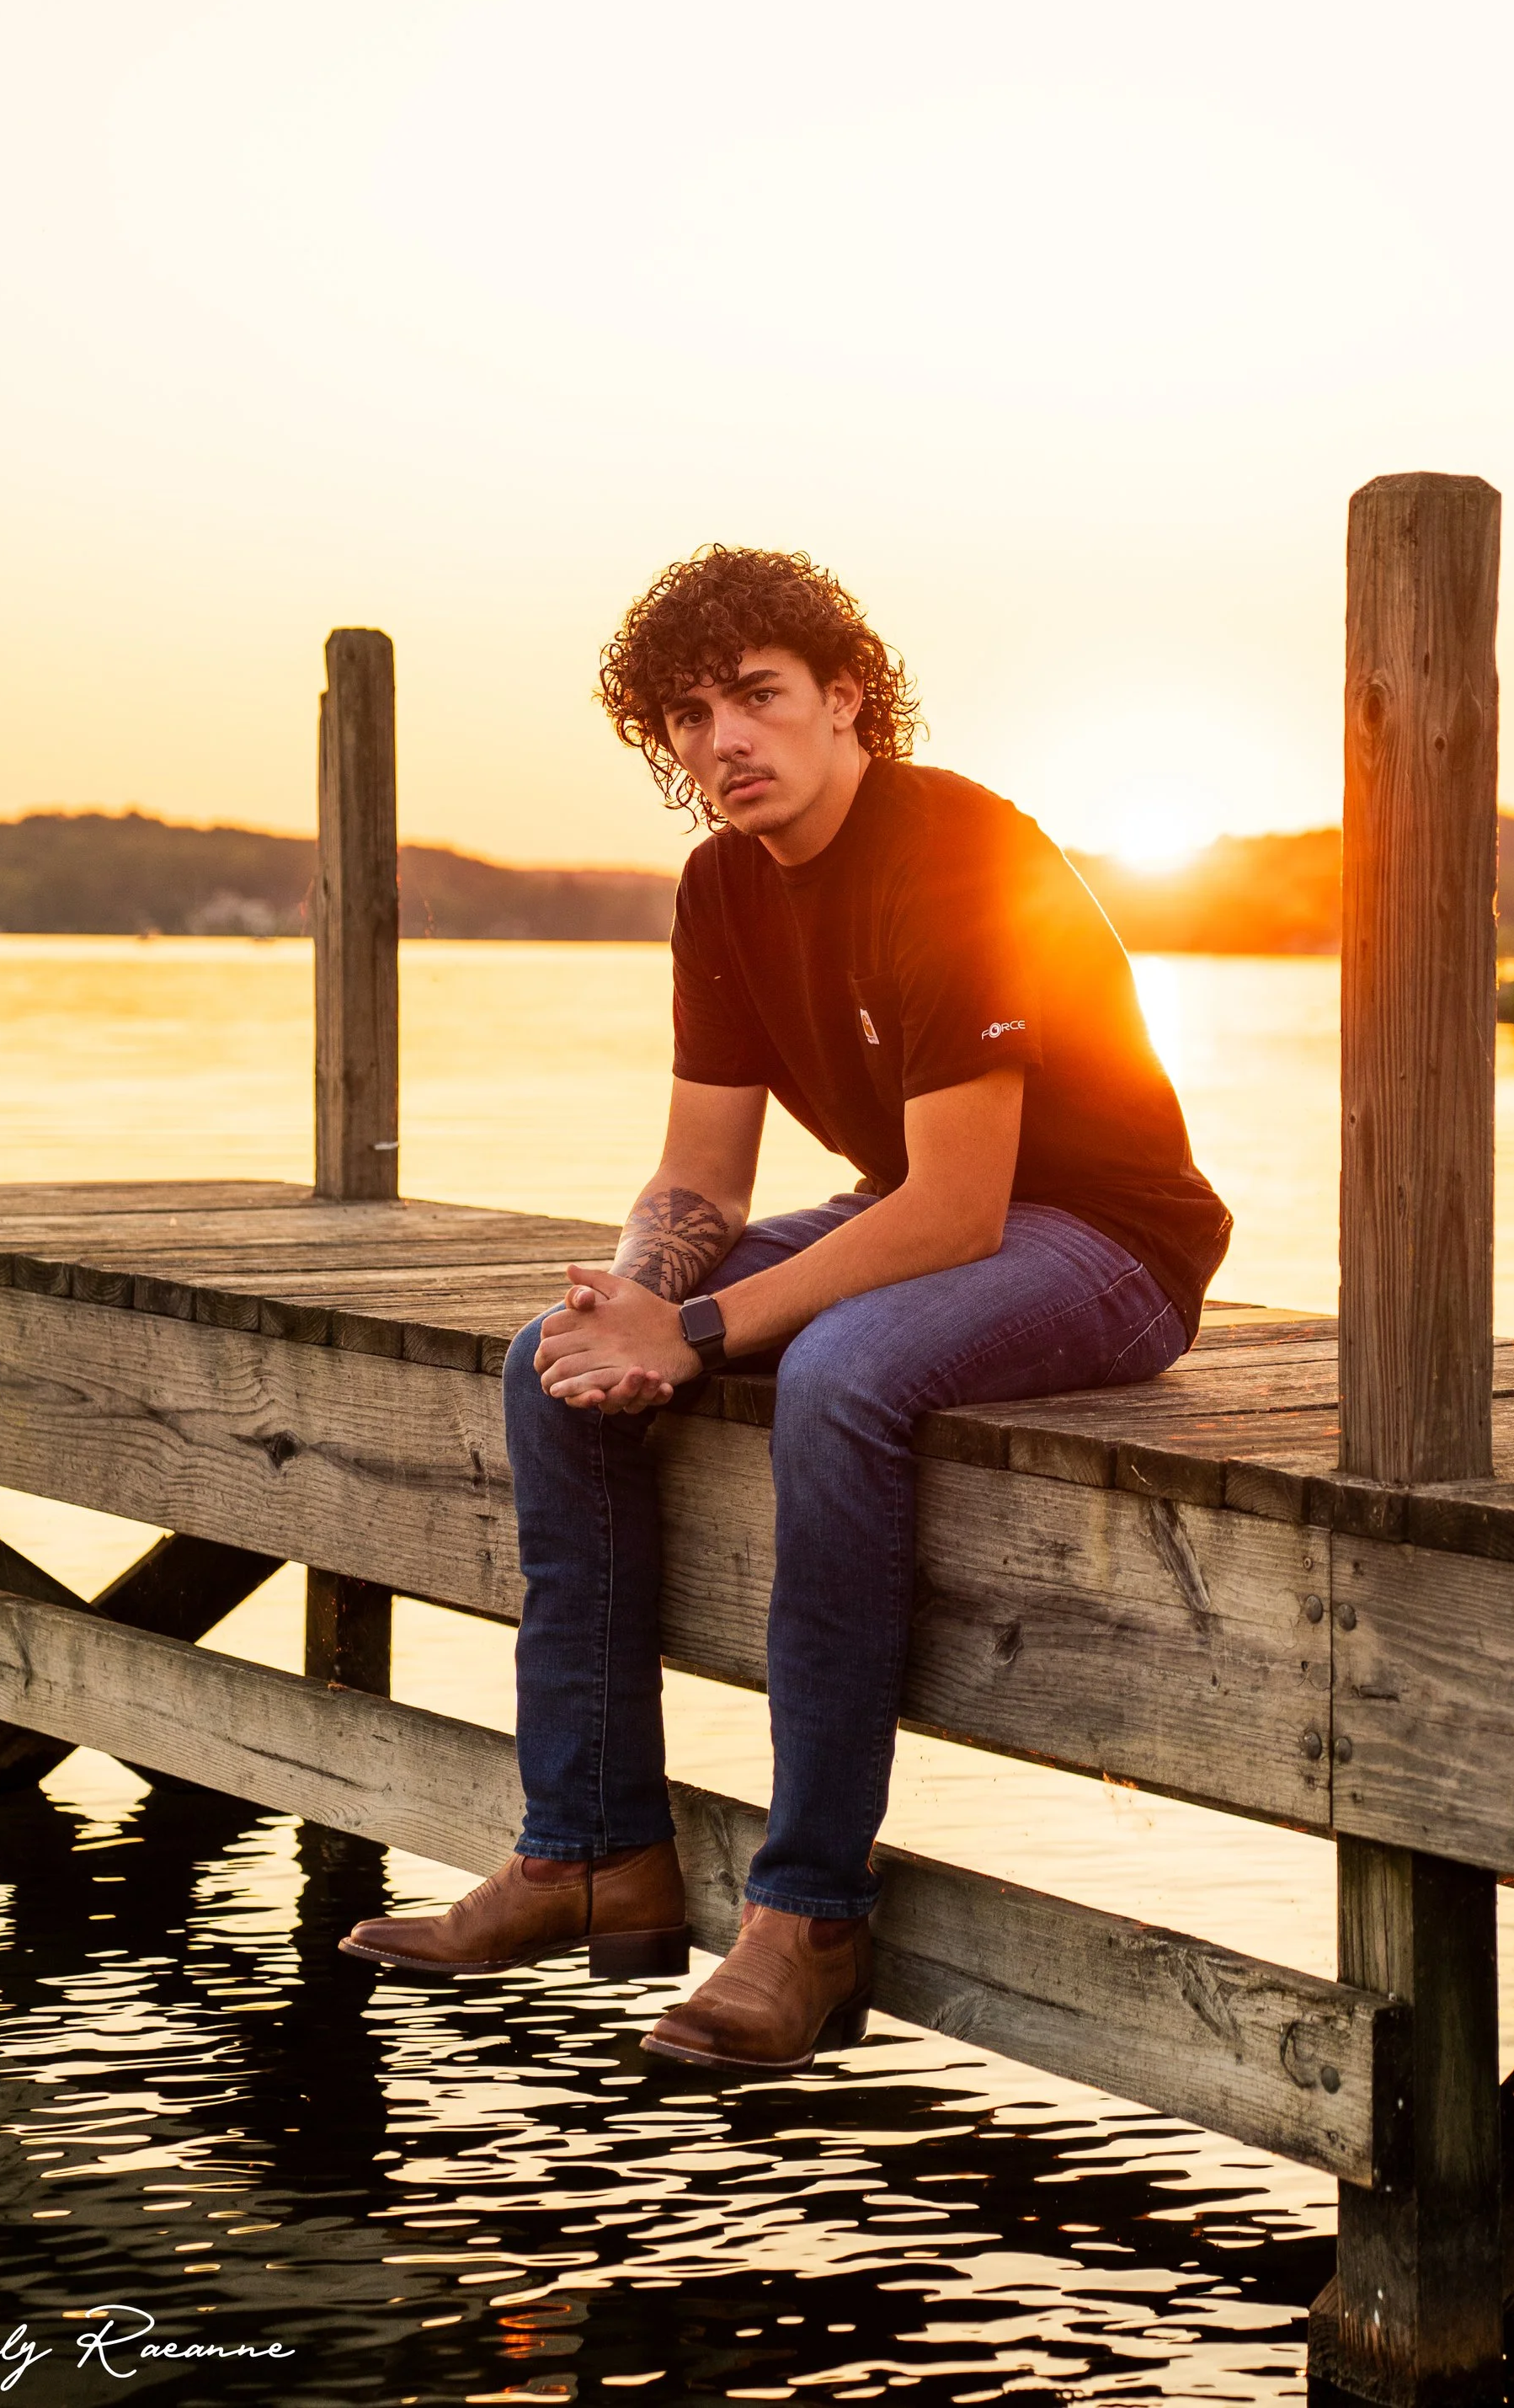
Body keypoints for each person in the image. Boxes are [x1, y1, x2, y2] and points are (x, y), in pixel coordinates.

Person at [343, 547, 1231, 2066]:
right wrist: (631, 1301)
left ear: (848, 698)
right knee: (544, 1359)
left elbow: (956, 1205)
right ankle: (590, 1850)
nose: (722, 742)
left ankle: (806, 1911)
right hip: (940, 1219)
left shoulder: (958, 847)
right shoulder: (721, 889)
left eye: (755, 696)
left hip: (1105, 1242)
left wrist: (688, 1336)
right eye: (687, 716)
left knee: (842, 1377)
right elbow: (703, 1173)